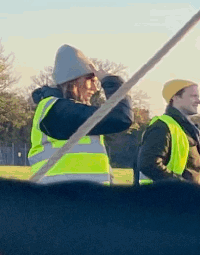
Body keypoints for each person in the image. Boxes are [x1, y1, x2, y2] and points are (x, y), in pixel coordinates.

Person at [28, 45, 132, 185]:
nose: (95, 88)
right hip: (63, 200)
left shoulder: (66, 111)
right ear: (74, 80)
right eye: (91, 80)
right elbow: (121, 117)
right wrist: (112, 82)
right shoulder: (56, 111)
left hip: (80, 200)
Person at [137, 79, 200, 185]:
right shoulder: (162, 126)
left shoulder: (190, 130)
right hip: (171, 199)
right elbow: (148, 165)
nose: (199, 101)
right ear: (175, 98)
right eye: (193, 96)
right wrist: (181, 186)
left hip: (190, 199)